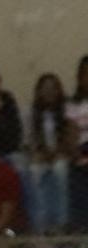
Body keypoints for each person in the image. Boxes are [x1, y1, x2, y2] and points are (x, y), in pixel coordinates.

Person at [27, 73, 76, 234]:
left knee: (60, 170)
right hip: (42, 155)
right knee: (35, 171)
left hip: (61, 154)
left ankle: (61, 221)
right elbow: (31, 140)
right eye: (45, 88)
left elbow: (69, 139)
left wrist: (58, 153)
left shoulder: (66, 112)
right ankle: (41, 222)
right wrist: (39, 154)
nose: (49, 92)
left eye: (53, 88)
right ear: (39, 92)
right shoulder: (33, 114)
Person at [68, 56, 88, 232]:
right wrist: (78, 156)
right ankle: (81, 226)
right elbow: (72, 133)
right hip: (83, 149)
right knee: (77, 173)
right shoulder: (74, 105)